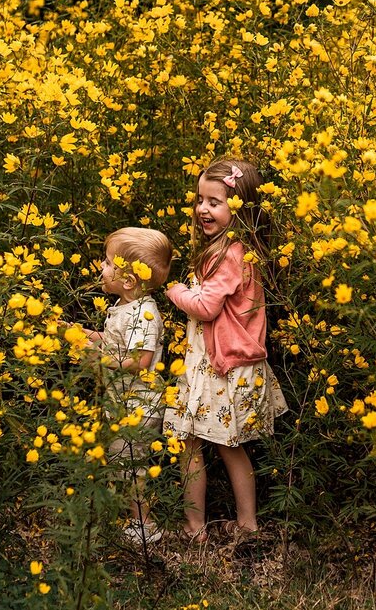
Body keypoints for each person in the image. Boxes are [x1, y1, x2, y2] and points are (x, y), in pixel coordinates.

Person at [163, 158, 288, 543]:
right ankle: (245, 523)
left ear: (241, 207)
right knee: (229, 447)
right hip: (225, 363)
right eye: (201, 199)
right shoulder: (239, 248)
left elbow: (206, 307)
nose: (203, 208)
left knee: (192, 444)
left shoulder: (231, 254)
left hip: (219, 369)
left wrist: (173, 289)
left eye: (215, 202)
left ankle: (195, 526)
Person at [84, 226, 173, 546]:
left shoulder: (144, 313)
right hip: (125, 404)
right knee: (121, 462)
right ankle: (129, 516)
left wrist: (101, 359)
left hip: (140, 406)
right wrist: (80, 334)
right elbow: (113, 341)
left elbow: (141, 360)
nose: (101, 267)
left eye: (108, 263)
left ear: (129, 280)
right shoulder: (125, 306)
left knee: (130, 466)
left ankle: (144, 524)